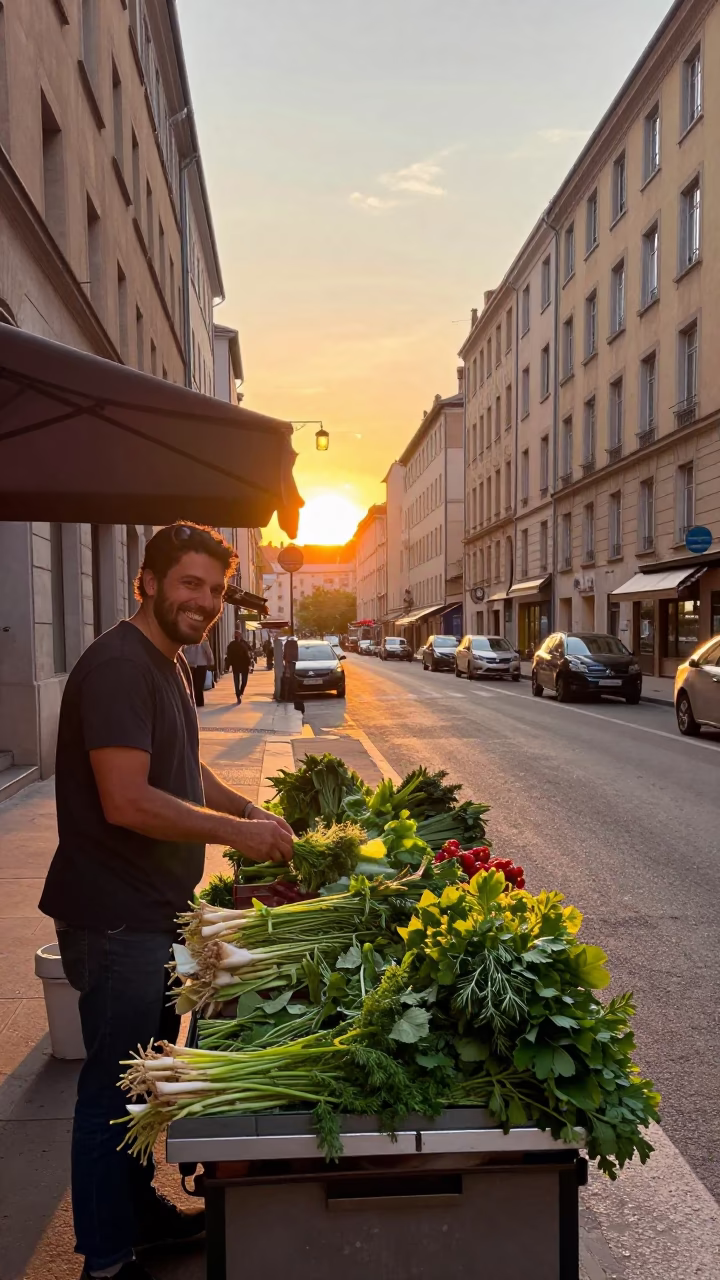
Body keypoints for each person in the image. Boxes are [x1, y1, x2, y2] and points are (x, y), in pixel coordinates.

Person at [39, 522, 294, 1280]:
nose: (205, 601)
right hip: (115, 917)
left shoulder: (173, 663)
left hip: (153, 911)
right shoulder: (119, 666)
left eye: (215, 590)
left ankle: (137, 1213)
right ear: (145, 582)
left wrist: (247, 813)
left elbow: (182, 776)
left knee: (145, 1076)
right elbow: (127, 800)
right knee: (112, 1082)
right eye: (190, 583)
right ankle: (107, 1257)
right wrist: (233, 836)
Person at [183, 637, 214, 707]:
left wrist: (209, 661)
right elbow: (208, 652)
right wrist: (209, 662)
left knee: (197, 684)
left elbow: (208, 651)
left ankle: (198, 702)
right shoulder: (190, 640)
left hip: (199, 664)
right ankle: (197, 701)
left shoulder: (203, 640)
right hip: (197, 664)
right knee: (196, 684)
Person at [225, 630, 252, 703]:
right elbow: (229, 656)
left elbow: (250, 650)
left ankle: (240, 692)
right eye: (236, 635)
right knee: (237, 681)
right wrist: (227, 666)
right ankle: (238, 695)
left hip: (244, 664)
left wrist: (250, 664)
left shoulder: (244, 643)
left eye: (238, 635)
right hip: (236, 664)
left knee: (244, 681)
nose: (237, 636)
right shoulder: (232, 644)